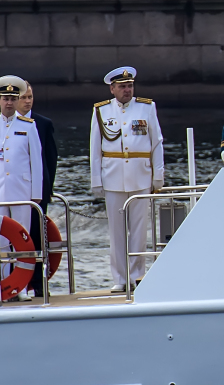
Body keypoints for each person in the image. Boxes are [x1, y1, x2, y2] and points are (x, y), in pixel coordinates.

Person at [89, 67, 165, 292]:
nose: (127, 90)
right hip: (113, 175)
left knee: (140, 230)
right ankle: (120, 278)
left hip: (140, 174)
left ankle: (137, 274)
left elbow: (156, 142)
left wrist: (158, 175)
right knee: (117, 231)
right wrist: (96, 179)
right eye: (122, 86)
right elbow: (95, 147)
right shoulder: (101, 111)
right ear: (112, 89)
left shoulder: (146, 107)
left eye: (130, 86)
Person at [0, 75, 44, 300]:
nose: (8, 103)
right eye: (5, 98)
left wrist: (36, 194)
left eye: (12, 99)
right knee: (1, 242)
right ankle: (5, 287)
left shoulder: (28, 125)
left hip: (21, 190)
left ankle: (21, 287)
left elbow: (37, 161)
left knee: (22, 240)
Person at [15, 82, 59, 296]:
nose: (28, 100)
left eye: (30, 96)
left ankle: (39, 285)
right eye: (24, 97)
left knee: (37, 237)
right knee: (14, 238)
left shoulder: (42, 123)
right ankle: (16, 282)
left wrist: (46, 190)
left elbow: (50, 159)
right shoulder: (0, 126)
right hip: (14, 191)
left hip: (37, 193)